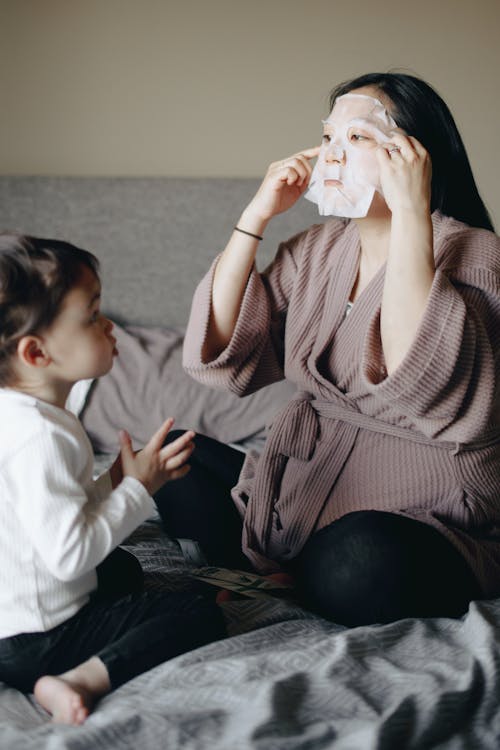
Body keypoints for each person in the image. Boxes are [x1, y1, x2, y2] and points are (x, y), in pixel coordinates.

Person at [155, 72, 500, 627]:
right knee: (174, 457)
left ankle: (295, 578)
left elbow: (423, 381)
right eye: (328, 137)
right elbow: (225, 355)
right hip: (308, 488)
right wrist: (256, 217)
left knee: (357, 559)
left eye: (357, 138)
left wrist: (413, 213)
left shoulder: (478, 256)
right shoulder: (317, 248)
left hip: (421, 511)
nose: (332, 156)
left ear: (416, 156)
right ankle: (279, 576)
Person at [0, 233, 225, 725]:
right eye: (93, 317)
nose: (110, 327)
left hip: (11, 616)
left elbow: (53, 512)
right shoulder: (41, 437)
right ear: (36, 354)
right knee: (197, 614)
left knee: (122, 569)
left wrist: (116, 479)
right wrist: (137, 491)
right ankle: (78, 678)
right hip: (36, 640)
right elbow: (70, 555)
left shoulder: (19, 416)